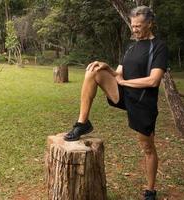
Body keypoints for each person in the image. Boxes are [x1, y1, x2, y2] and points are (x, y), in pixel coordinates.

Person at [64, 6, 168, 200]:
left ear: (150, 23)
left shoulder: (159, 46)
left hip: (143, 102)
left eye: (138, 26)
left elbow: (154, 80)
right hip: (123, 95)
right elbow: (119, 74)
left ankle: (150, 189)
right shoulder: (130, 47)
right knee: (93, 71)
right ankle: (82, 123)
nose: (134, 29)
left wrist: (124, 82)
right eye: (132, 25)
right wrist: (108, 68)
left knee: (147, 148)